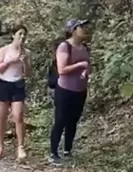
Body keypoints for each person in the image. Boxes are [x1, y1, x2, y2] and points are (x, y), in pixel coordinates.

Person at [49, 19, 91, 165]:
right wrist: (81, 65)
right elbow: (62, 70)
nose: (85, 29)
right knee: (61, 120)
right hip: (65, 90)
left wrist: (86, 71)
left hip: (80, 90)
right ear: (73, 30)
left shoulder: (84, 47)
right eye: (81, 27)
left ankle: (67, 150)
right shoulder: (64, 47)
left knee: (73, 121)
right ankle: (53, 153)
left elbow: (86, 66)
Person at [0, 23, 31, 160]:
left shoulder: (27, 52)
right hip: (3, 84)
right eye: (20, 33)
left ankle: (20, 147)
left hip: (18, 84)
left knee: (18, 116)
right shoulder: (4, 50)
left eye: (24, 34)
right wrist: (10, 61)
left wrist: (25, 62)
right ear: (13, 35)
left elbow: (28, 73)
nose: (22, 37)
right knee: (1, 116)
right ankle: (0, 146)